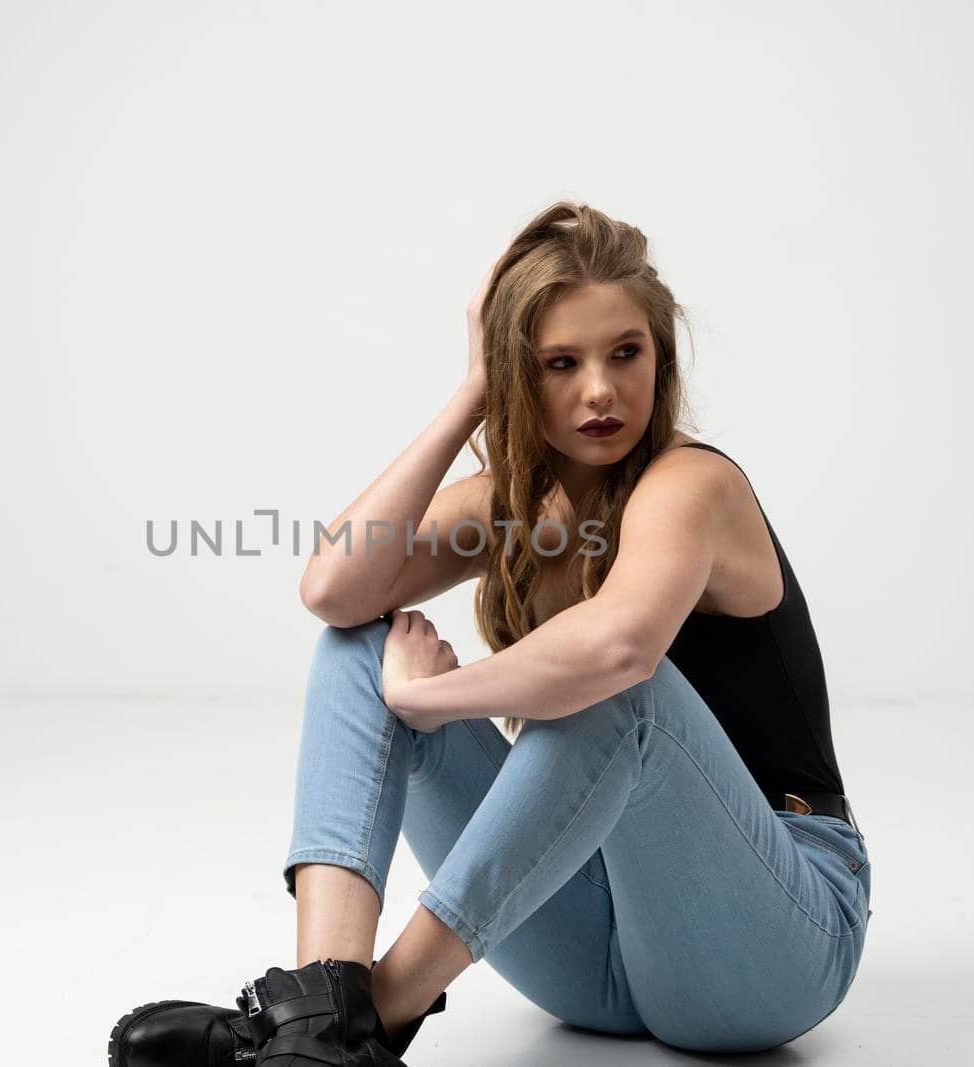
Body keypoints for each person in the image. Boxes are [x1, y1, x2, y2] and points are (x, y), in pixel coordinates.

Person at [109, 201, 872, 1066]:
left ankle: (367, 1021)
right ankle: (318, 1007)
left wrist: (429, 698)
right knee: (361, 643)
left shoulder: (689, 484)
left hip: (776, 937)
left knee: (623, 687)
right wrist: (471, 392)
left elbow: (621, 649)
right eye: (558, 362)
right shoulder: (516, 504)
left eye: (627, 352)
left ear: (660, 356)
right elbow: (332, 587)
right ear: (519, 374)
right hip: (601, 943)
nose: (600, 389)